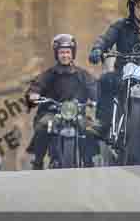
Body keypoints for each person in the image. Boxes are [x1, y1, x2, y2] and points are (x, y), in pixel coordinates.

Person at [25, 34, 99, 169]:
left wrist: (97, 99)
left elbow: (93, 87)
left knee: (89, 128)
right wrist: (33, 95)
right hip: (53, 113)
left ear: (73, 53)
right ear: (56, 54)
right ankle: (38, 161)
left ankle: (89, 161)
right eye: (61, 52)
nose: (65, 55)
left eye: (67, 52)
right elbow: (37, 85)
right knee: (43, 125)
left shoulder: (82, 74)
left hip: (77, 113)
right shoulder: (49, 74)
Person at [88, 0, 140, 140]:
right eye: (138, 6)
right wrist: (98, 49)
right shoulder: (120, 26)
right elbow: (105, 38)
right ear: (131, 7)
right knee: (105, 80)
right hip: (123, 75)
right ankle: (103, 123)